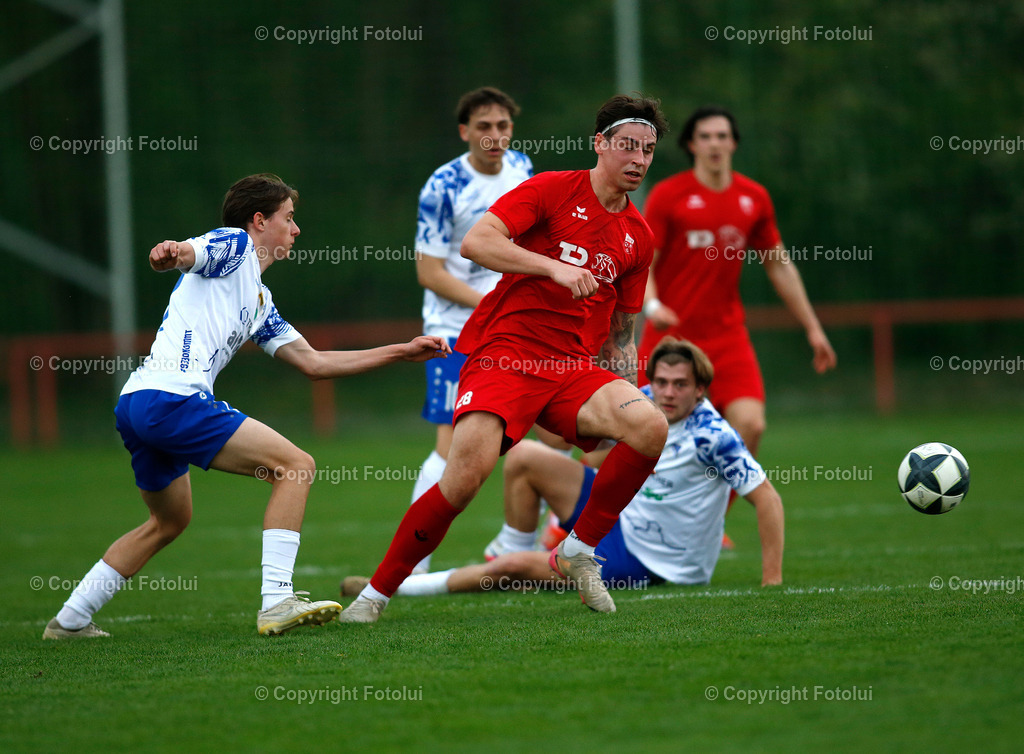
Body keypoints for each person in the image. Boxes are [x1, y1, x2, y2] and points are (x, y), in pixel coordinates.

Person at [42, 173, 449, 640]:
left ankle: (70, 620)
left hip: (138, 403)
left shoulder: (259, 299)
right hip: (174, 400)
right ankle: (277, 599)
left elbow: (313, 363)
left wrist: (401, 351)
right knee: (295, 466)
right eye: (289, 218)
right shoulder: (235, 244)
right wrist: (173, 251)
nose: (296, 230)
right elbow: (194, 252)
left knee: (169, 521)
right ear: (260, 221)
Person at [338, 94, 671, 623]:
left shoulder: (638, 235)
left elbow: (622, 333)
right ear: (600, 144)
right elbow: (475, 242)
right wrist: (552, 268)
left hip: (570, 366)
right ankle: (375, 596)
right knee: (464, 477)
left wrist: (624, 375)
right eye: (628, 146)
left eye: (649, 150)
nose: (639, 159)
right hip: (505, 352)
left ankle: (579, 547)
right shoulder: (550, 188)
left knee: (650, 427)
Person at [341, 338, 783, 599]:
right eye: (661, 381)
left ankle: (400, 587)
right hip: (622, 517)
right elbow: (580, 448)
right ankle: (510, 547)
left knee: (513, 571)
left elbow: (767, 497)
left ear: (701, 389)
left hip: (649, 561)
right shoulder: (645, 402)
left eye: (679, 385)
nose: (665, 393)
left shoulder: (714, 436)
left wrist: (772, 582)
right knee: (527, 457)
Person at [638, 105, 837, 459]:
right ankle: (574, 507)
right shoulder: (669, 196)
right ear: (691, 145)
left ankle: (713, 514)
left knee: (750, 425)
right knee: (639, 437)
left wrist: (813, 327)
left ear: (734, 144)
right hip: (671, 338)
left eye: (722, 136)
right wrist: (653, 306)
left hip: (728, 336)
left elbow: (779, 266)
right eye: (705, 137)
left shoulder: (754, 198)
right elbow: (643, 265)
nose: (714, 143)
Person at [411, 87, 533, 573]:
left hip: (517, 328)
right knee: (452, 448)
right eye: (484, 126)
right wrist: (493, 301)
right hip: (455, 331)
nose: (495, 136)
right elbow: (430, 271)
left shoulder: (524, 170)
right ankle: (413, 562)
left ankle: (516, 545)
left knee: (555, 427)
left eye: (503, 126)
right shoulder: (442, 187)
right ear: (465, 132)